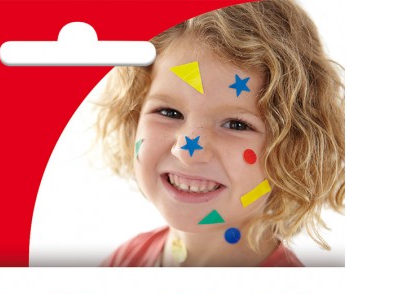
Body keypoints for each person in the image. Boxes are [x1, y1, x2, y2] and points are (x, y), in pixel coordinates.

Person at [97, 0, 344, 267]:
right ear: (134, 115)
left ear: (294, 148)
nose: (187, 151)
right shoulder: (124, 261)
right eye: (169, 112)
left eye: (236, 125)